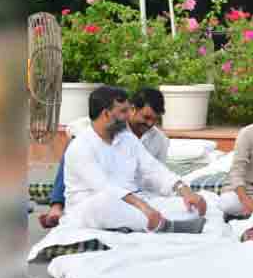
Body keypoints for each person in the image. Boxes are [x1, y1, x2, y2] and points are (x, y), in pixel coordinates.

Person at [60, 85, 207, 233]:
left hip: (133, 201)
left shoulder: (127, 138)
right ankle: (165, 226)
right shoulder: (80, 146)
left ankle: (153, 221)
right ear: (106, 114)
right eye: (123, 111)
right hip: (92, 206)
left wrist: (184, 190)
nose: (128, 115)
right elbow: (105, 187)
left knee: (188, 206)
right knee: (104, 203)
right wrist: (143, 206)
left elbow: (153, 169)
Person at [40, 87, 169, 229]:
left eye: (155, 120)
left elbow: (156, 172)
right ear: (133, 109)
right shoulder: (106, 127)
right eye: (146, 117)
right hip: (101, 190)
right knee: (75, 150)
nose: (150, 124)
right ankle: (57, 206)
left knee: (172, 207)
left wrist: (174, 192)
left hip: (134, 192)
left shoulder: (159, 140)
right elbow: (75, 130)